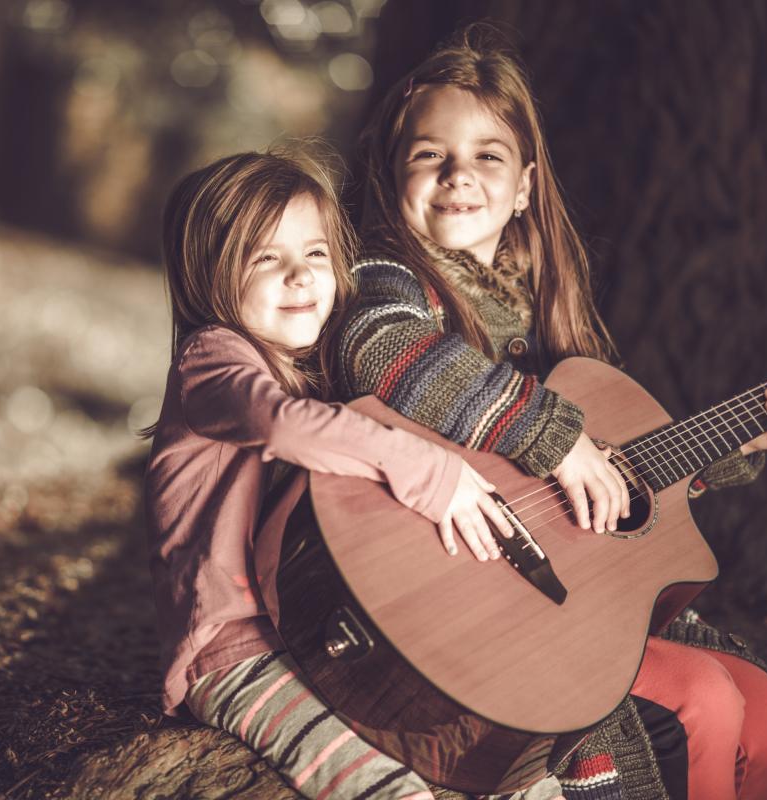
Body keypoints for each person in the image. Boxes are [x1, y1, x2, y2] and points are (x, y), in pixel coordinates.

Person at [338, 24, 767, 800]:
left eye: (488, 155)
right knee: (708, 702)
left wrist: (750, 431)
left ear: (524, 187)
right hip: (459, 598)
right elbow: (380, 349)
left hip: (548, 592)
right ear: (392, 175)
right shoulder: (389, 278)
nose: (458, 173)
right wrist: (558, 443)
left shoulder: (542, 322)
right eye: (428, 153)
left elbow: (613, 479)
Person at [143, 147, 566, 800]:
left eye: (315, 254)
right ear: (211, 274)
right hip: (235, 653)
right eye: (266, 258)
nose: (301, 276)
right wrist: (431, 471)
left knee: (518, 774)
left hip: (324, 629)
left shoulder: (322, 364)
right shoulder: (213, 359)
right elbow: (283, 425)